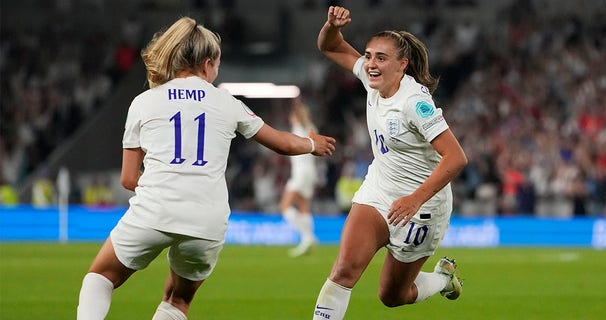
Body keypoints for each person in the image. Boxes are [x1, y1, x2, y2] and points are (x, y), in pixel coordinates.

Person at [76, 16, 336, 320]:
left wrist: (165, 185)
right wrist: (312, 144)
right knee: (177, 300)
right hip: (207, 219)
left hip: (155, 210)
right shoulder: (226, 102)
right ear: (207, 63)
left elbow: (128, 178)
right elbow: (283, 143)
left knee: (100, 277)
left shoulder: (144, 102)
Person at [312, 6, 468, 319]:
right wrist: (331, 26)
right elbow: (329, 46)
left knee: (393, 295)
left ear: (402, 65)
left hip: (422, 207)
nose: (370, 63)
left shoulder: (414, 103)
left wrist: (414, 199)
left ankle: (443, 279)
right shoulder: (373, 79)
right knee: (343, 270)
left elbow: (456, 157)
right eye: (368, 55)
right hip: (379, 191)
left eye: (380, 58)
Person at [279, 97, 320, 257]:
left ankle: (307, 237)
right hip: (310, 171)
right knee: (303, 206)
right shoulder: (311, 128)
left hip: (301, 172)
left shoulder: (297, 127)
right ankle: (308, 240)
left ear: (295, 116)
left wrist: (296, 103)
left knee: (285, 206)